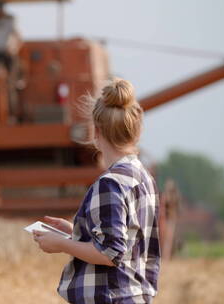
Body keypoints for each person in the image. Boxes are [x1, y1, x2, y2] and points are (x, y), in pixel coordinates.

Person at [33, 79, 160, 304]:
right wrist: (77, 232)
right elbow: (126, 239)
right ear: (135, 131)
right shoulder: (143, 177)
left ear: (96, 131)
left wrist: (61, 244)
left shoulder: (109, 183)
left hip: (111, 298)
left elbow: (110, 253)